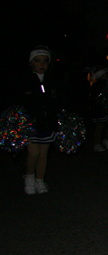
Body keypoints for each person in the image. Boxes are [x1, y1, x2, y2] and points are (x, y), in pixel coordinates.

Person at [21, 46, 59, 195]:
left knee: (43, 154)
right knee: (34, 153)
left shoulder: (52, 81)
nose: (42, 64)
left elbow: (58, 101)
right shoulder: (26, 81)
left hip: (48, 123)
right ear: (31, 63)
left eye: (45, 61)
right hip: (31, 124)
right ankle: (29, 177)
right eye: (37, 61)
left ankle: (40, 180)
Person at [88, 66, 108, 152]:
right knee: (100, 126)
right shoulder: (101, 84)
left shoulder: (100, 84)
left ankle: (105, 141)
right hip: (100, 109)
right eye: (106, 74)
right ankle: (97, 144)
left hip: (104, 108)